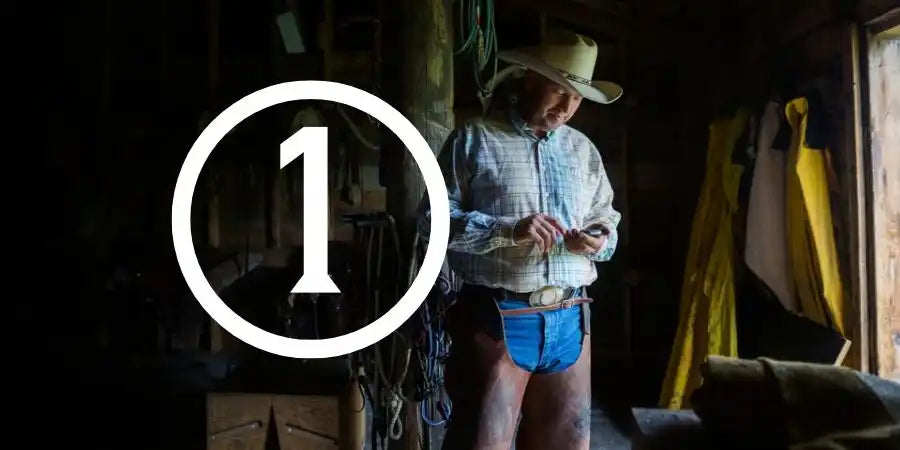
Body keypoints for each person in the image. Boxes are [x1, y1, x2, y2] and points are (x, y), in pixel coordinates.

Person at [418, 29, 623, 450]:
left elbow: (608, 221)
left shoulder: (584, 151)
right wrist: (507, 231)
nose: (567, 107)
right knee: (482, 442)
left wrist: (599, 240)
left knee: (566, 442)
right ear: (529, 80)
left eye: (577, 98)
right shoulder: (473, 139)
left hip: (571, 317)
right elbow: (430, 221)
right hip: (497, 314)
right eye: (558, 91)